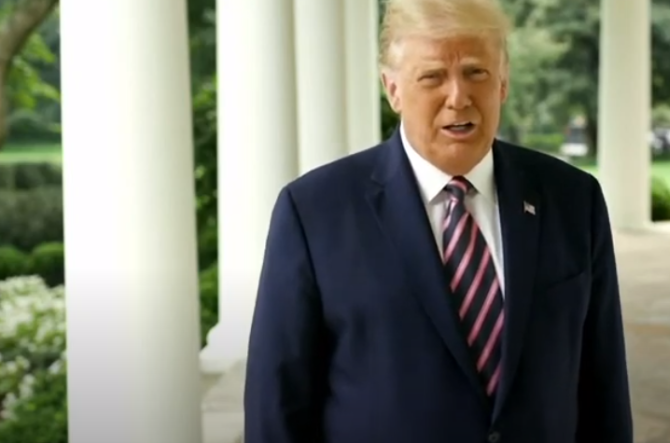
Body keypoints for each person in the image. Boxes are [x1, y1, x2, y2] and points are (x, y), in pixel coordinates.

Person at [243, 0, 633, 441]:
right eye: (432, 77)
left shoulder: (573, 199)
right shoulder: (314, 211)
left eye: (476, 72)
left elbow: (604, 387)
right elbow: (277, 403)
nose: (458, 97)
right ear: (392, 89)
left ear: (503, 81)